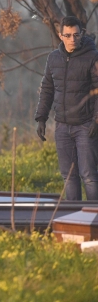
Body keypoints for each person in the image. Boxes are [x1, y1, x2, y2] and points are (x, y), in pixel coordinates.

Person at [35, 16, 98, 201]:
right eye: (68, 35)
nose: (73, 39)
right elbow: (47, 88)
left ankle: (94, 222)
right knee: (69, 176)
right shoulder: (53, 58)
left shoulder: (92, 57)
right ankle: (75, 219)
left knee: (89, 176)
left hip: (86, 125)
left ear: (81, 34)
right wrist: (41, 118)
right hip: (62, 126)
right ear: (60, 35)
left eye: (76, 35)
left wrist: (96, 120)